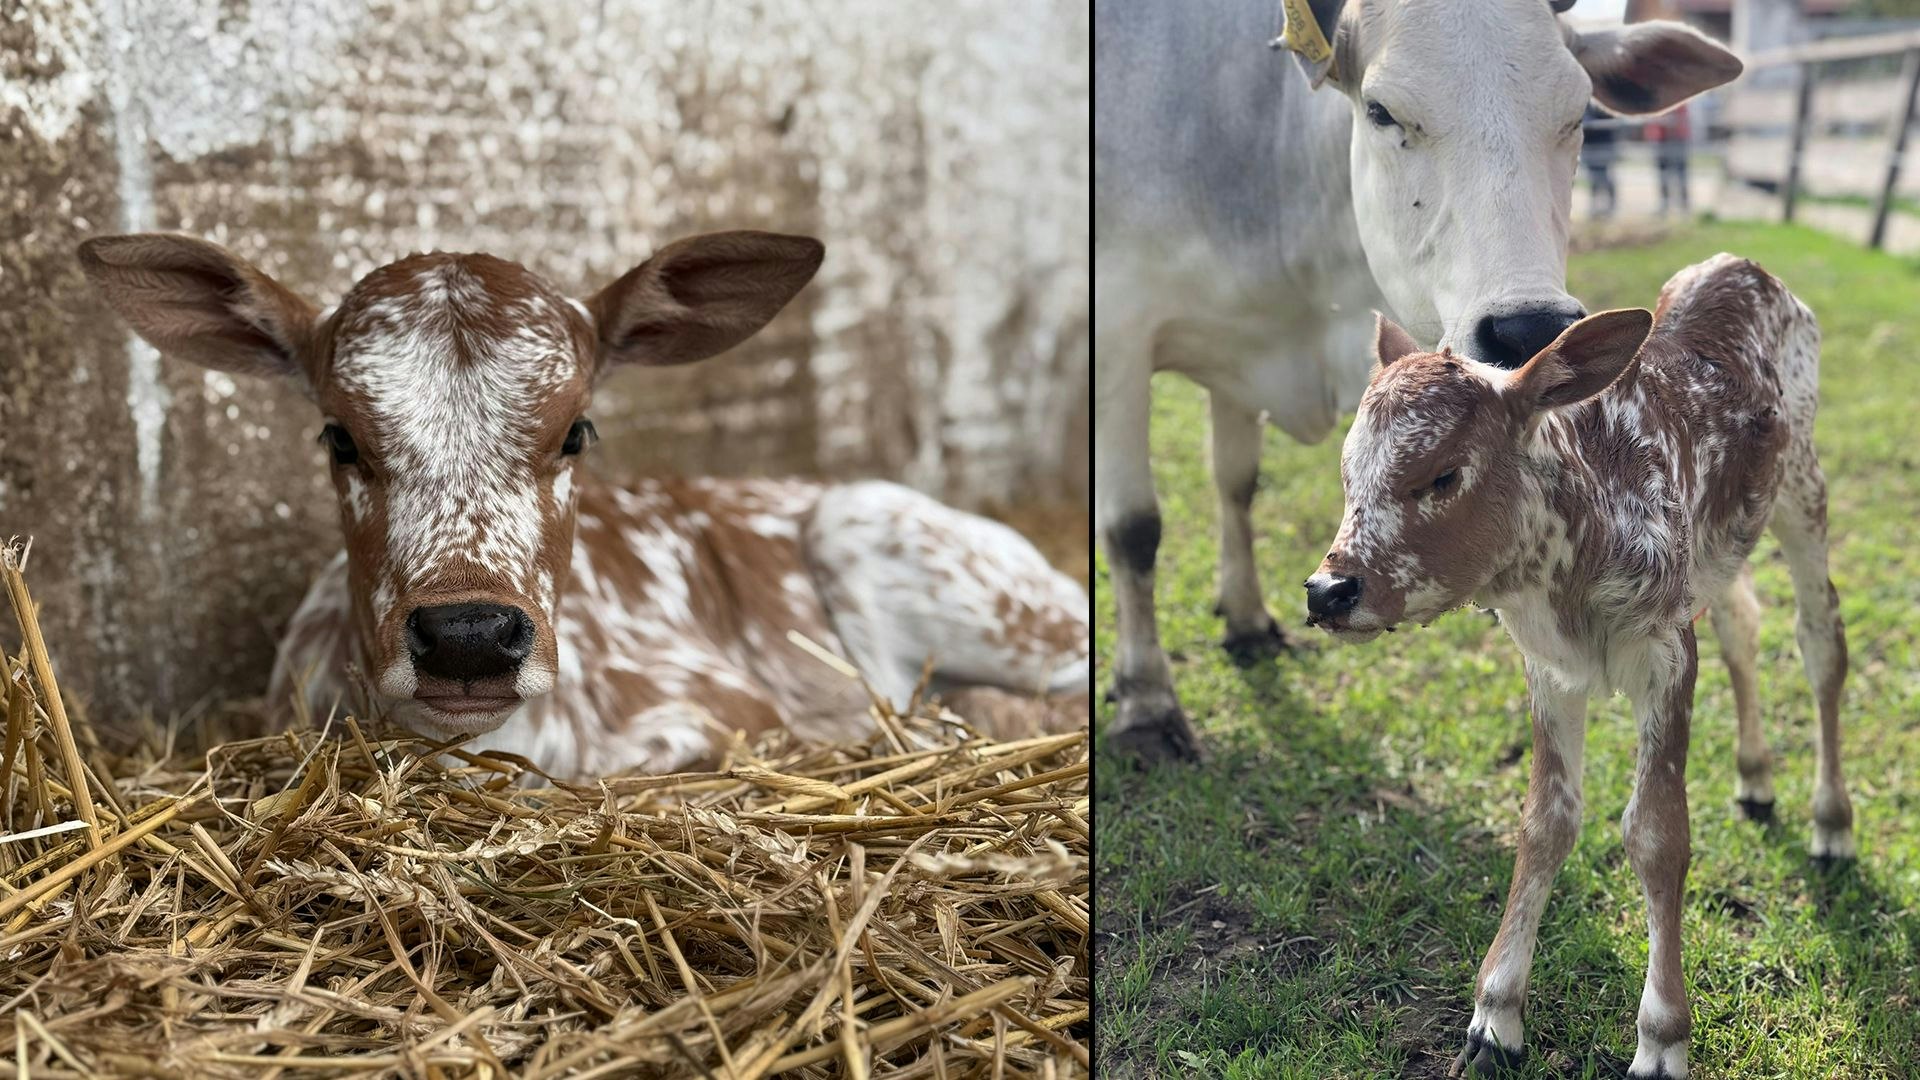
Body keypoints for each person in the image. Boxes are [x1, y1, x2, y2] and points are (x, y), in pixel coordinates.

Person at [1646, 101, 1692, 217]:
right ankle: (1664, 203)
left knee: (1680, 173)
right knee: (1662, 173)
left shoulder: (1679, 97)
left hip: (1677, 138)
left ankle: (1683, 204)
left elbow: (1681, 117)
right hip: (1661, 138)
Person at [1582, 102, 1618, 219]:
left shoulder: (1605, 100)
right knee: (1592, 176)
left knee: (1603, 175)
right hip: (1589, 143)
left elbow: (1610, 118)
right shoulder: (1584, 101)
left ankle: (1610, 204)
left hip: (1604, 142)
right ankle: (1595, 205)